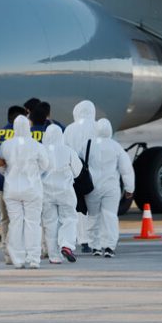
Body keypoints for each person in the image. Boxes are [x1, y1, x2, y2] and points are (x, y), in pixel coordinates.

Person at [0, 115, 50, 269]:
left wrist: (9, 174)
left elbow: (1, 166)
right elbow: (45, 165)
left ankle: (17, 259)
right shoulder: (37, 146)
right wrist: (35, 175)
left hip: (11, 190)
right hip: (32, 189)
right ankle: (34, 258)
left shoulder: (6, 145)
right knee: (33, 223)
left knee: (15, 223)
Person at [86, 119, 135, 257]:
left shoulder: (88, 144)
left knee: (93, 216)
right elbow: (126, 170)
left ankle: (94, 246)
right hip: (111, 188)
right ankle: (109, 247)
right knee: (110, 216)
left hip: (92, 188)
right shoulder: (116, 147)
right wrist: (130, 188)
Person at [41, 125, 82, 264]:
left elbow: (37, 172)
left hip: (46, 193)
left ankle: (54, 256)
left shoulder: (42, 151)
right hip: (65, 192)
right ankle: (66, 245)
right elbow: (78, 171)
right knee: (69, 219)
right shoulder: (68, 151)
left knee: (50, 223)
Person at [0, 105, 25, 265]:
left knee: (4, 219)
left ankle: (6, 254)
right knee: (19, 219)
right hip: (20, 184)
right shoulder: (25, 136)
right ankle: (19, 251)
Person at [63, 100, 98, 253]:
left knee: (79, 207)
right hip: (98, 173)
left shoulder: (69, 129)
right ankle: (97, 240)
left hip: (77, 173)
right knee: (96, 208)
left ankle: (83, 240)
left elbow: (65, 150)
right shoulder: (98, 127)